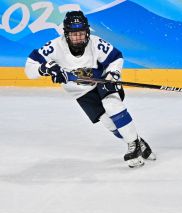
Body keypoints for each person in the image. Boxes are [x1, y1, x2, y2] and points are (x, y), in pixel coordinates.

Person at [24, 10, 155, 168]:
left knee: (111, 104)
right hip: (80, 92)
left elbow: (116, 57)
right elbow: (30, 68)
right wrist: (44, 69)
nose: (78, 37)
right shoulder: (54, 47)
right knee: (109, 123)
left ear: (87, 32)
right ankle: (137, 142)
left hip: (102, 80)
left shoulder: (95, 42)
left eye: (81, 33)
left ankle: (133, 146)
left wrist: (113, 73)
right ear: (66, 34)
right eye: (74, 34)